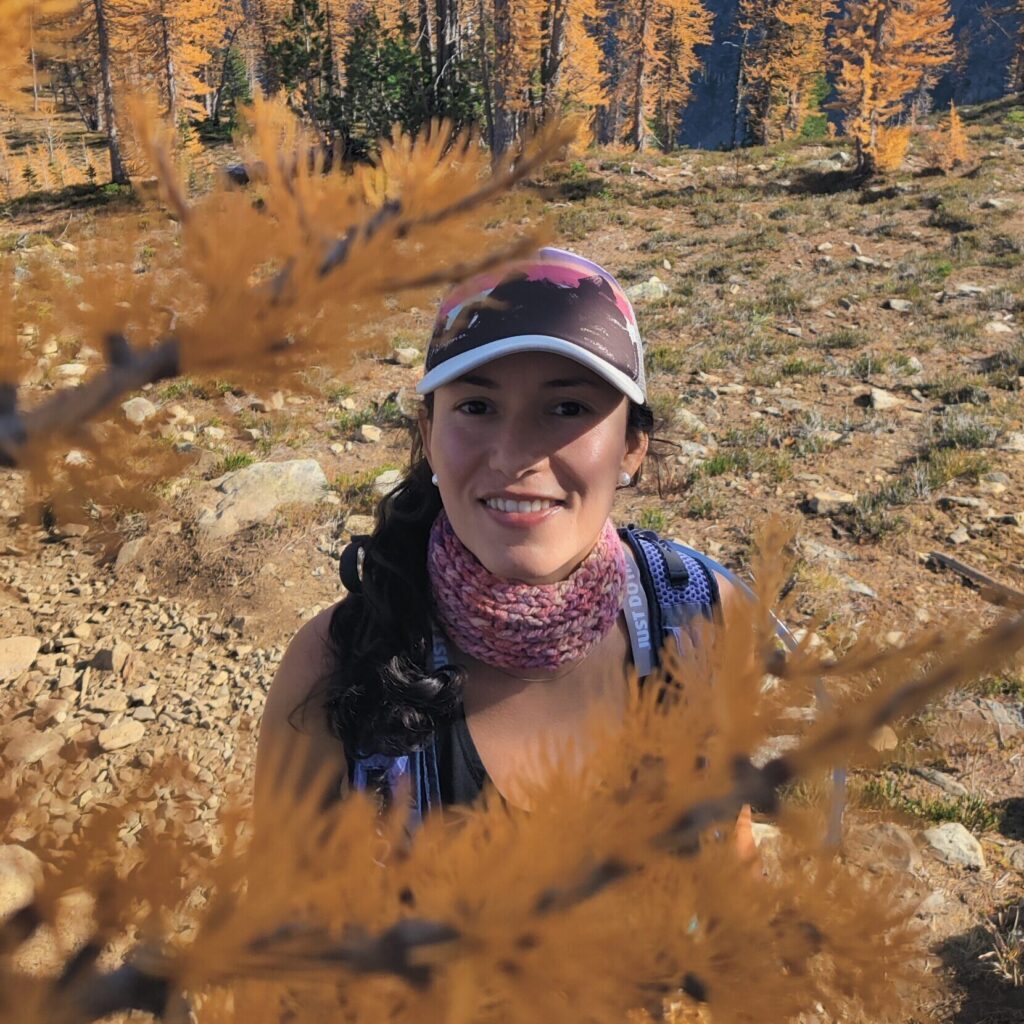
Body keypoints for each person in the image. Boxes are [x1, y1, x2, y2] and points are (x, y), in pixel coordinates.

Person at [255, 248, 752, 845]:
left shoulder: (703, 617)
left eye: (567, 408)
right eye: (477, 407)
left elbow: (730, 849)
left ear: (632, 447)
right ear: (430, 435)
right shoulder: (334, 663)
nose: (515, 455)